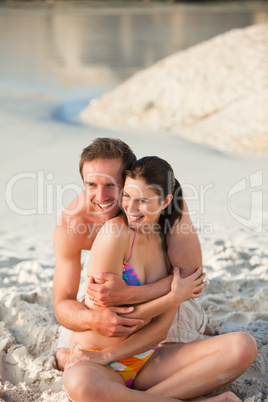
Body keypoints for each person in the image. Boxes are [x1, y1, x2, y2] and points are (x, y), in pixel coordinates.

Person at [62, 156, 257, 402]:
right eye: (128, 197)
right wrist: (174, 296)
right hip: (95, 359)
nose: (132, 209)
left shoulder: (167, 245)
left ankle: (133, 398)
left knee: (243, 346)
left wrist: (174, 296)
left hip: (146, 361)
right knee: (79, 384)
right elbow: (116, 323)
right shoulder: (114, 233)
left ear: (165, 201)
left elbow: (159, 331)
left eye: (143, 201)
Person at [54, 138, 210, 371]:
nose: (101, 196)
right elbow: (62, 302)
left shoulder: (165, 201)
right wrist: (92, 320)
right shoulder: (74, 222)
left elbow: (191, 281)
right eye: (91, 185)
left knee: (200, 334)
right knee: (70, 359)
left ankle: (207, 327)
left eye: (111, 185)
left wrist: (129, 292)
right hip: (107, 298)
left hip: (163, 298)